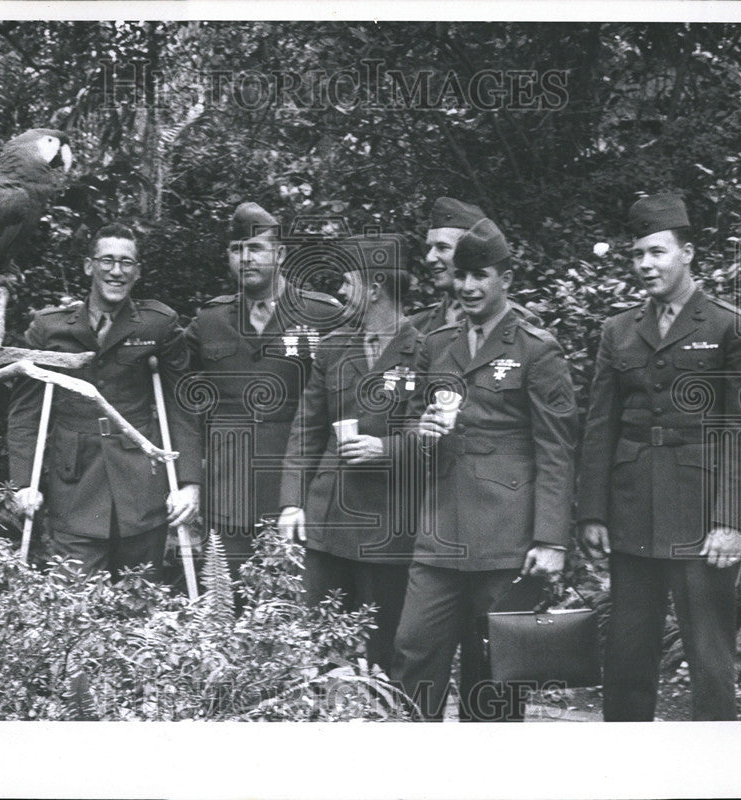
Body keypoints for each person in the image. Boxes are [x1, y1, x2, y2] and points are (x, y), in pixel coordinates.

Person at [578, 194, 741, 721]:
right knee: (628, 655)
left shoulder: (730, 327)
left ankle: (715, 771)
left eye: (657, 252)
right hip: (633, 510)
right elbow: (600, 427)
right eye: (637, 255)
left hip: (701, 517)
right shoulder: (618, 330)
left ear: (688, 253)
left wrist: (730, 520)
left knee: (710, 659)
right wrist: (592, 512)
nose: (645, 265)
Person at [392, 217, 578, 721]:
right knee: (414, 653)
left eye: (482, 276)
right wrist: (420, 431)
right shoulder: (438, 344)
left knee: (494, 678)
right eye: (463, 276)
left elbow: (557, 449)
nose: (469, 287)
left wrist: (551, 539)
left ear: (506, 280)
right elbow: (412, 421)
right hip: (440, 533)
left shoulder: (536, 349)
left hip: (505, 540)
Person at [8, 222, 201, 579]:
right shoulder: (50, 330)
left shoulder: (157, 325)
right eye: (107, 260)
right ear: (88, 266)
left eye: (127, 263)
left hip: (141, 483)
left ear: (138, 271)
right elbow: (27, 412)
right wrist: (23, 483)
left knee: (142, 603)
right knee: (74, 606)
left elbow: (181, 405)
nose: (116, 271)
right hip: (75, 484)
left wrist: (189, 482)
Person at [278, 233, 422, 672]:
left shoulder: (426, 348)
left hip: (388, 525)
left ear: (374, 288)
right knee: (320, 649)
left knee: (385, 652)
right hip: (329, 521)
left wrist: (386, 449)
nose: (339, 291)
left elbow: (432, 433)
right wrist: (291, 503)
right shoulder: (334, 345)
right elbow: (307, 428)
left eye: (347, 282)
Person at [184, 202, 342, 572]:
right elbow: (176, 380)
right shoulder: (210, 320)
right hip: (228, 494)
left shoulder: (322, 314)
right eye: (237, 250)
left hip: (297, 495)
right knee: (226, 608)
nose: (245, 259)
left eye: (255, 248)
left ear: (281, 253)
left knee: (293, 610)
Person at [409, 196, 540, 333]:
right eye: (430, 248)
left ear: (469, 252)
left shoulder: (520, 325)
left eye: (442, 247)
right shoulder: (417, 324)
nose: (429, 258)